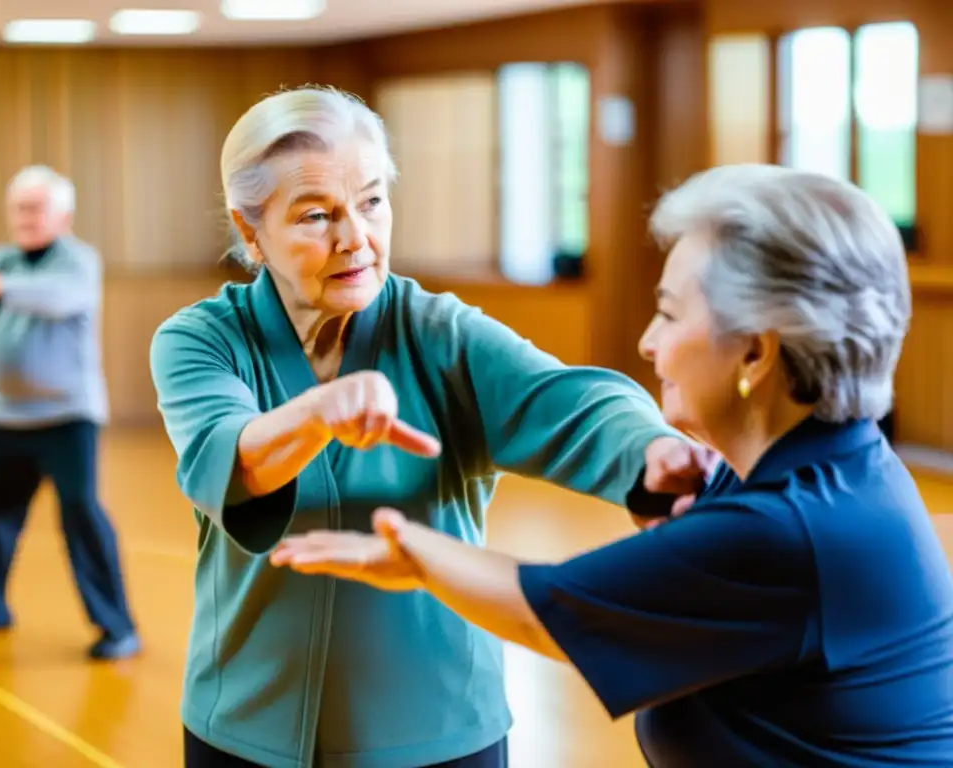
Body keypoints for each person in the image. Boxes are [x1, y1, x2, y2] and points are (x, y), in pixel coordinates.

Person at [273, 164, 953, 766]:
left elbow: (543, 613)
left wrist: (417, 551)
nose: (648, 342)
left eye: (668, 313)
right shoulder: (842, 472)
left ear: (755, 354)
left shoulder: (788, 529)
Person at [148, 86, 711, 768]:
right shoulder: (202, 340)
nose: (355, 238)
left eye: (373, 201)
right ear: (250, 231)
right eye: (317, 215)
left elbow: (567, 399)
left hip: (440, 727)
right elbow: (227, 460)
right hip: (243, 724)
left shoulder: (439, 334)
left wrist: (650, 449)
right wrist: (316, 413)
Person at [0, 165, 140, 661]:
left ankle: (117, 628)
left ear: (63, 216)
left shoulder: (78, 261)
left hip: (68, 418)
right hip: (6, 418)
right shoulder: (1, 260)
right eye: (18, 208)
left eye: (35, 208)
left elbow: (58, 298)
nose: (24, 217)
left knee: (82, 515)